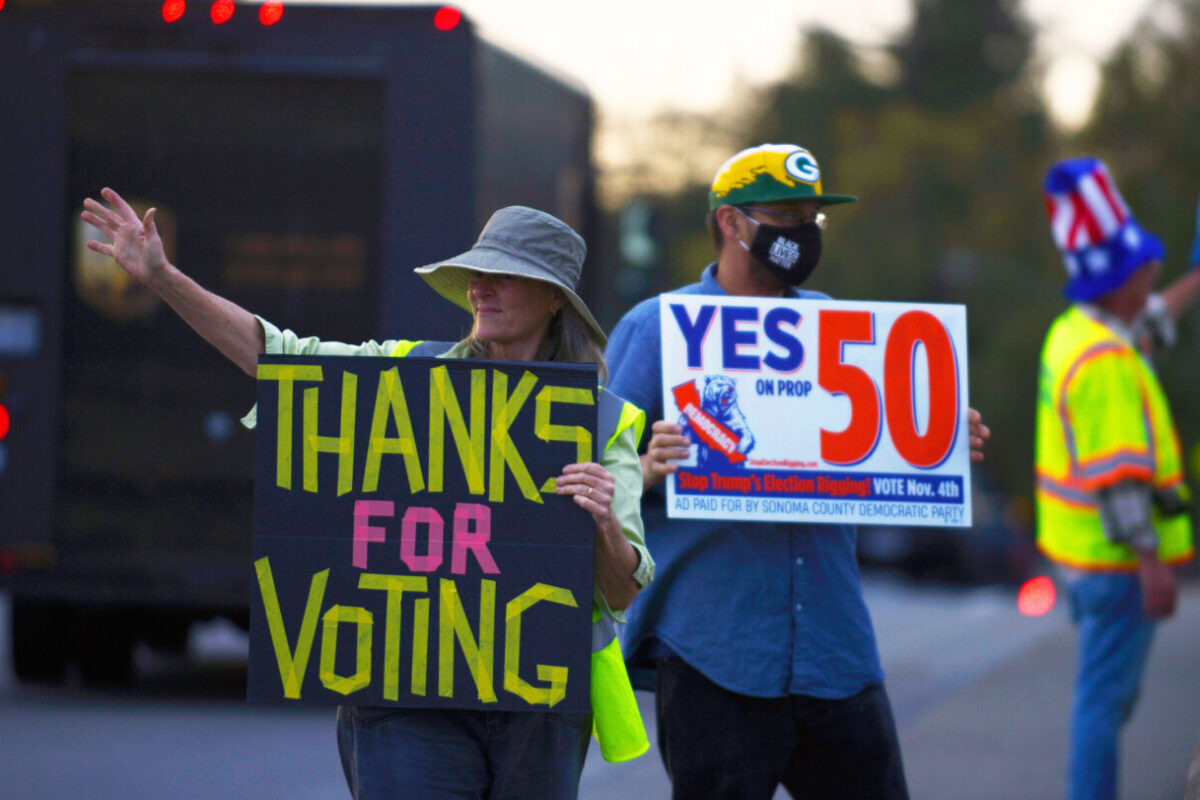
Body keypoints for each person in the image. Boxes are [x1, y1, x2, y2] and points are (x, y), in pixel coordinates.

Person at [80, 189, 655, 799]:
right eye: (475, 275)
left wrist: (602, 526)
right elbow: (276, 356)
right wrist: (163, 278)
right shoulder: (403, 380)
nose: (479, 289)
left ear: (552, 299)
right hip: (406, 694)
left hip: (537, 708)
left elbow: (621, 590)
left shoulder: (600, 423)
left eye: (503, 277)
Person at [604, 142, 991, 800]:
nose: (803, 233)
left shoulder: (841, 329)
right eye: (785, 215)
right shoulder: (658, 329)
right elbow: (586, 476)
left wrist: (937, 444)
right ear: (730, 222)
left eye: (813, 217)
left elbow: (872, 450)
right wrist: (643, 468)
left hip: (835, 649)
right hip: (713, 651)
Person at [1035, 158, 1197, 800]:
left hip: (1084, 560)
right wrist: (1153, 566)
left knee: (1101, 701)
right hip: (1117, 565)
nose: (1154, 277)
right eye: (1144, 270)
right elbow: (1120, 480)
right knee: (1104, 706)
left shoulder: (1078, 332)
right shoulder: (1105, 360)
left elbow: (1154, 317)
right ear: (1117, 283)